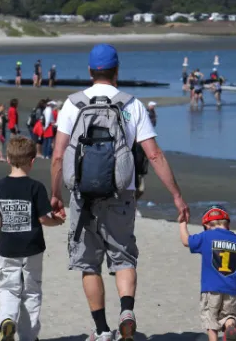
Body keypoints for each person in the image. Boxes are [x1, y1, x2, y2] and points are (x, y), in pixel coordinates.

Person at [51, 44, 189, 341]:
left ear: (90, 71)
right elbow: (154, 155)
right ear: (117, 71)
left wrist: (56, 195)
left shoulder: (72, 104)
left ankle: (101, 330)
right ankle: (126, 310)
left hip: (82, 196)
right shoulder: (131, 104)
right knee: (123, 258)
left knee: (89, 264)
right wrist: (177, 195)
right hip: (121, 194)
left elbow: (59, 156)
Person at [0, 136, 65, 341]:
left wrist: (2, 221)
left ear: (7, 159)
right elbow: (43, 219)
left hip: (7, 248)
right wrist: (57, 222)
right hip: (32, 248)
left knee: (7, 288)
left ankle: (6, 320)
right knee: (31, 292)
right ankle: (28, 336)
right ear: (32, 161)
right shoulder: (36, 187)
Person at [179, 204, 236, 341]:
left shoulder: (207, 236)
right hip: (232, 288)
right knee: (230, 316)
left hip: (211, 288)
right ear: (227, 224)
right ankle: (230, 326)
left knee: (211, 321)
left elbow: (186, 241)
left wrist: (182, 223)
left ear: (207, 225)